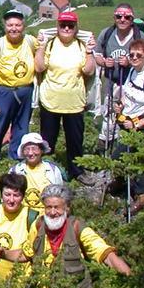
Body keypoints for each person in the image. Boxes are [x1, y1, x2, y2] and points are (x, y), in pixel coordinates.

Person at [27, 184, 131, 288]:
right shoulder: (38, 225)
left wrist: (130, 279)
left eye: (57, 207)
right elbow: (27, 253)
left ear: (67, 208)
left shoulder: (78, 228)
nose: (52, 213)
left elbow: (105, 254)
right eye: (48, 207)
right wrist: (6, 254)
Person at [34, 10, 96, 180]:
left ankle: (76, 172)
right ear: (57, 26)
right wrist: (40, 47)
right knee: (47, 142)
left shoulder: (82, 46)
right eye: (63, 25)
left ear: (76, 28)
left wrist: (90, 52)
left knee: (75, 142)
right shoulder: (50, 44)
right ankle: (45, 173)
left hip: (74, 102)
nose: (66, 28)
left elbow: (88, 71)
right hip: (50, 101)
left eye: (70, 25)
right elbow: (39, 68)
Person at [112, 39, 144, 214]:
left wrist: (136, 124)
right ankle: (122, 183)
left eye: (139, 55)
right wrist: (120, 106)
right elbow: (128, 94)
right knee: (119, 156)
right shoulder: (133, 72)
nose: (134, 58)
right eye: (132, 54)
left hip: (143, 127)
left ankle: (141, 197)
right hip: (129, 123)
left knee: (136, 161)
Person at [0, 8, 38, 160]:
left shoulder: (31, 42)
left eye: (18, 25)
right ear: (5, 27)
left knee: (22, 128)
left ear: (23, 27)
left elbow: (42, 55)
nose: (14, 28)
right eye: (10, 25)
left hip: (26, 91)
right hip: (3, 92)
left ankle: (16, 159)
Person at [94, 3, 144, 150]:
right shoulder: (106, 34)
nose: (122, 19)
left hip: (132, 84)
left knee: (128, 114)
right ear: (114, 17)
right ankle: (105, 145)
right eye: (119, 16)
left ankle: (124, 146)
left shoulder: (139, 37)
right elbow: (97, 54)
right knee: (109, 113)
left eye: (127, 17)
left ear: (132, 19)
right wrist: (105, 62)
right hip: (112, 81)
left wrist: (130, 63)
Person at [0, 172, 39, 279]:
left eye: (16, 195)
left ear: (23, 196)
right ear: (1, 195)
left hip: (19, 284)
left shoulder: (31, 218)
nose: (11, 200)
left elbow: (31, 253)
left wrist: (4, 253)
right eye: (7, 195)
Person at [9, 132, 67, 215]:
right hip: (21, 217)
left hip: (48, 217)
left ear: (41, 150)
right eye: (27, 149)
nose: (30, 153)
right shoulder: (16, 171)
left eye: (34, 149)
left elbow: (61, 197)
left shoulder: (53, 170)